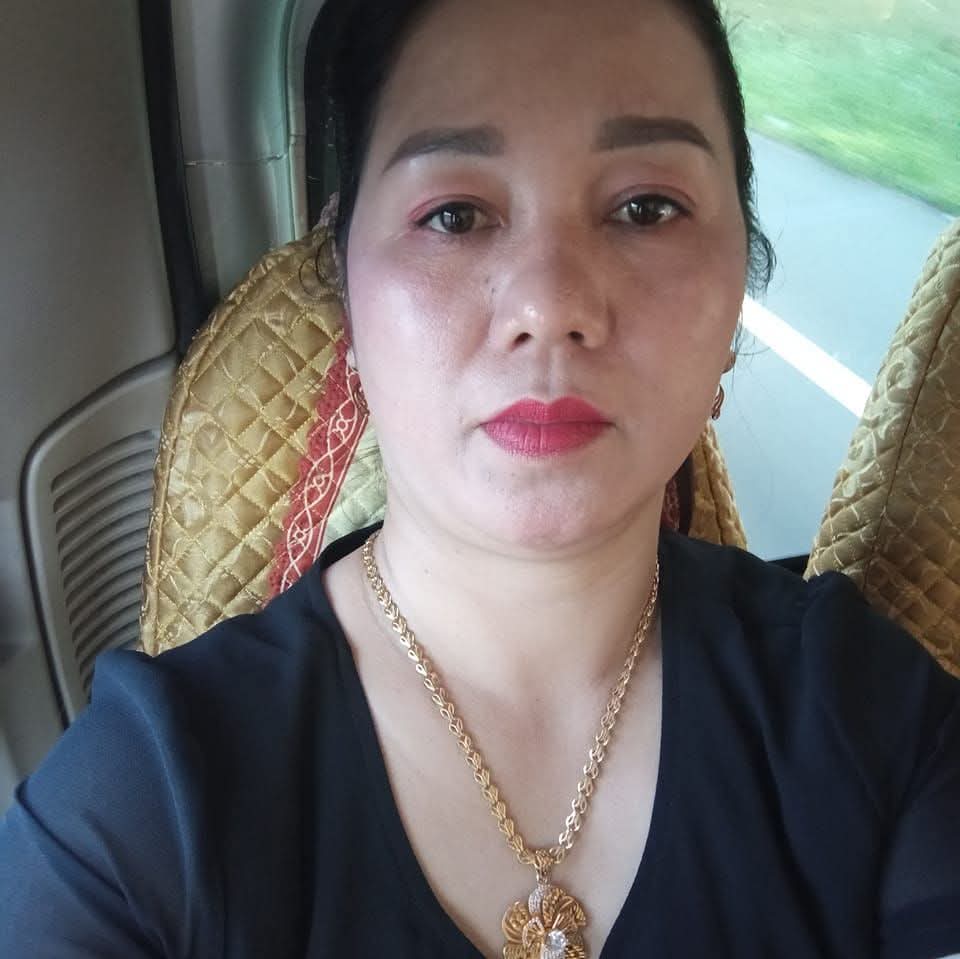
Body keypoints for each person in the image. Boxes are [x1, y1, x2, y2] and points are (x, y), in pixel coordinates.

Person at [1, 0, 958, 956]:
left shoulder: (873, 720)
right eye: (454, 216)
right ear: (348, 301)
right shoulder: (141, 810)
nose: (551, 303)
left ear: (736, 296)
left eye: (645, 208)